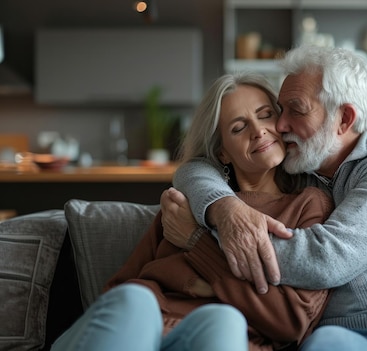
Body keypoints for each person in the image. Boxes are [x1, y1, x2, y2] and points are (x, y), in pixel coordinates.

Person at [162, 45, 367, 350]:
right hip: (343, 336)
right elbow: (196, 168)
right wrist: (225, 209)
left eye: (296, 110)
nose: (280, 125)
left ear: (344, 119)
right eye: (280, 110)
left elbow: (327, 259)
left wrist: (201, 234)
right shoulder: (296, 170)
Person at [52, 72, 334, 351]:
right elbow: (122, 287)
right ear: (223, 152)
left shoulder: (307, 205)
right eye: (238, 128)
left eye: (265, 115)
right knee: (135, 301)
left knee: (225, 320)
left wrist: (197, 244)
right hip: (141, 326)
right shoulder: (189, 202)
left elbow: (291, 322)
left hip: (224, 334)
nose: (258, 131)